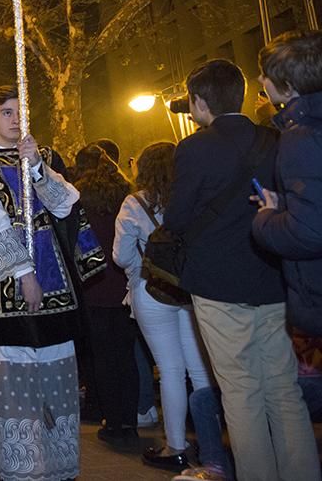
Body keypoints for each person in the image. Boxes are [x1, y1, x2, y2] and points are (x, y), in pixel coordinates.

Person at [163, 59, 319, 481]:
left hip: (217, 285)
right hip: (270, 277)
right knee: (284, 391)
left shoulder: (194, 148)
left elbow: (177, 218)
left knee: (241, 392)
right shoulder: (274, 139)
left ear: (197, 102)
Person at [0, 85, 104, 481]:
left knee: (56, 382)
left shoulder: (47, 157)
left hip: (59, 287)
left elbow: (66, 205)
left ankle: (57, 465)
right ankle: (18, 469)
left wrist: (37, 168)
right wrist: (25, 276)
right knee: (13, 384)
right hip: (7, 293)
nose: (15, 118)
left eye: (20, 111)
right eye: (6, 112)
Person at [112, 142, 220, 475]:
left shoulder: (135, 202)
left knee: (169, 370)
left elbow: (121, 254)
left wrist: (139, 271)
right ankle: (211, 444)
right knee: (200, 369)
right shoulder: (191, 197)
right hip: (188, 288)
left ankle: (175, 445)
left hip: (151, 288)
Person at [253, 29, 322, 335]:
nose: (260, 81)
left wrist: (266, 218)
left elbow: (308, 232)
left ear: (288, 85)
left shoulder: (300, 138)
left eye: (265, 74)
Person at [73, 145, 140, 447]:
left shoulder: (78, 197)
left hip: (93, 285)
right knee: (126, 356)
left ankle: (111, 420)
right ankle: (129, 420)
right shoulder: (126, 192)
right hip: (124, 286)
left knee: (102, 357)